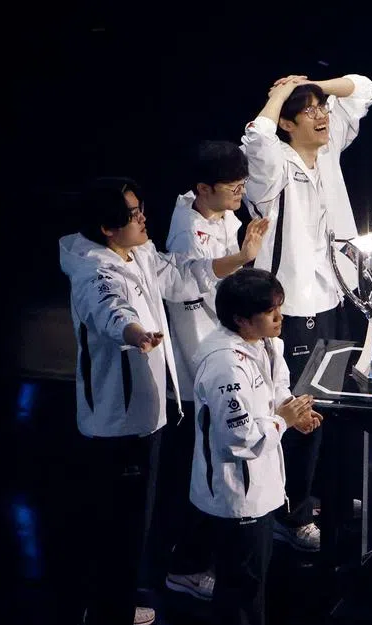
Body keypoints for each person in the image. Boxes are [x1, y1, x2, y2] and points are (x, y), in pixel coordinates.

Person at [59, 177, 267, 625]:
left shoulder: (138, 254)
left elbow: (179, 276)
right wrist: (138, 333)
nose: (143, 219)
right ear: (108, 228)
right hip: (117, 427)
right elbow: (112, 313)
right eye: (133, 215)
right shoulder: (95, 273)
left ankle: (116, 610)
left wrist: (238, 258)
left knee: (135, 526)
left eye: (141, 210)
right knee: (119, 533)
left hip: (145, 418)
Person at [242, 72, 372, 551]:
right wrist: (278, 93)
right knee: (298, 411)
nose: (323, 116)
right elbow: (255, 138)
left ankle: (332, 499)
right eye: (310, 110)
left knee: (331, 407)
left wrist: (315, 83)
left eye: (323, 108)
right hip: (291, 307)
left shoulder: (329, 149)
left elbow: (364, 88)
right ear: (286, 123)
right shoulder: (272, 165)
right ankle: (291, 512)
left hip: (334, 298)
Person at [190, 267, 321, 625]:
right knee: (243, 585)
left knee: (239, 581)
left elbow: (277, 388)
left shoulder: (260, 344)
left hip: (257, 489)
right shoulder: (226, 365)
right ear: (242, 319)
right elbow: (240, 436)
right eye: (271, 311)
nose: (280, 317)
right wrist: (285, 419)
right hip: (237, 495)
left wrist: (291, 411)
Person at [158, 141, 258, 601]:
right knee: (206, 471)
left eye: (241, 180)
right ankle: (186, 565)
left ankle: (197, 558)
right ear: (203, 188)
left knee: (220, 469)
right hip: (203, 370)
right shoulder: (187, 232)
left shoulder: (221, 215)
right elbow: (187, 289)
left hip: (223, 356)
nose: (240, 188)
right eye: (231, 183)